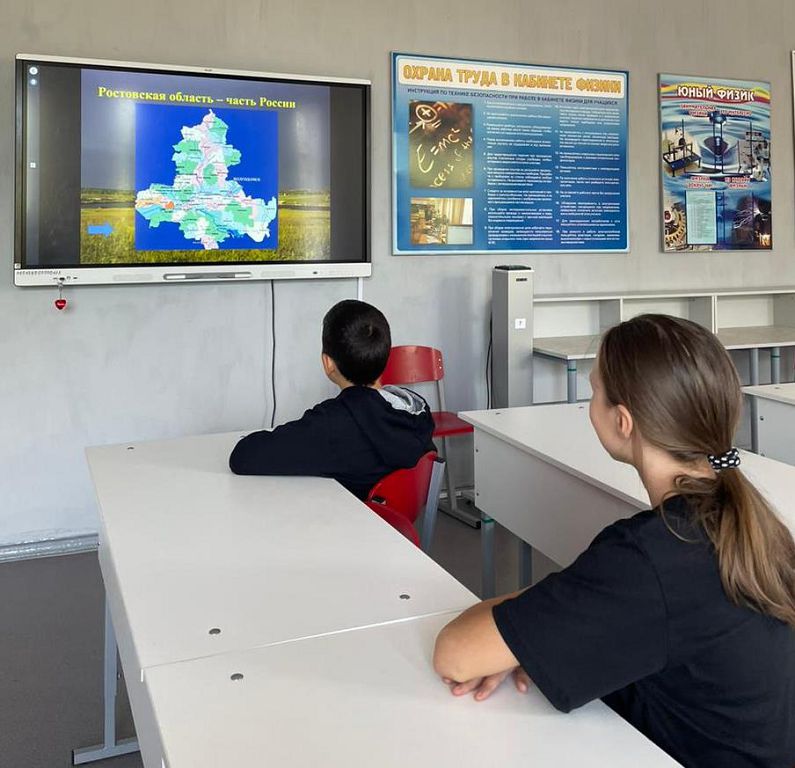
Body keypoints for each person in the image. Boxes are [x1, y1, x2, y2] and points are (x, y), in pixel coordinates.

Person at [433, 314, 795, 768]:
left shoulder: (652, 557)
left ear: (623, 422)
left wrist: (543, 623)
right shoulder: (754, 524)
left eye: (594, 392)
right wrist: (551, 628)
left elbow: (455, 654)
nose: (589, 405)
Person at [229, 300, 435, 500]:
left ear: (328, 363)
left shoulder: (333, 425)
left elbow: (243, 457)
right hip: (393, 520)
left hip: (349, 520)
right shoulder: (417, 411)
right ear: (384, 355)